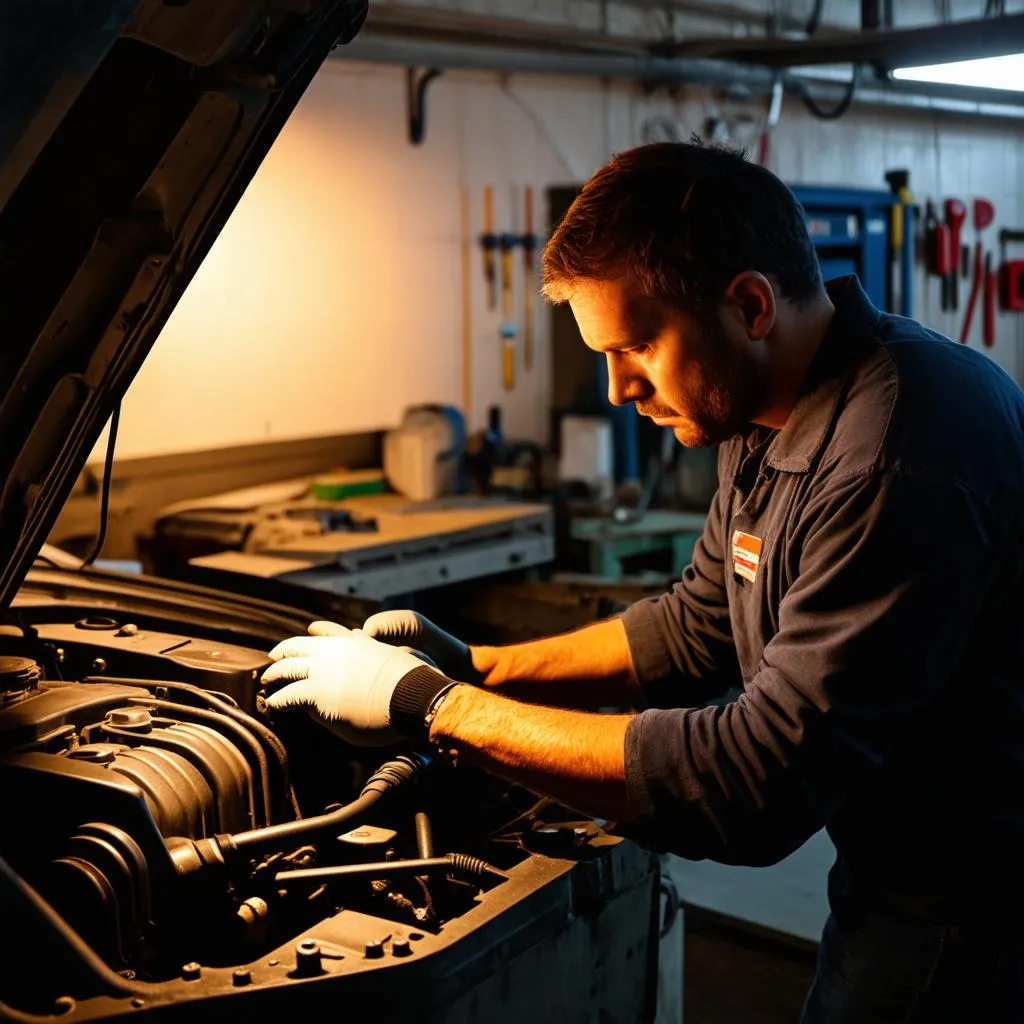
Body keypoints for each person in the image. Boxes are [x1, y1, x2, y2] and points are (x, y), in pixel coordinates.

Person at [262, 142, 1024, 1022]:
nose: (619, 388)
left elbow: (757, 783)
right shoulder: (765, 401)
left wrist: (434, 707)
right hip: (898, 871)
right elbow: (698, 620)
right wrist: (478, 664)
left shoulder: (897, 451)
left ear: (748, 305)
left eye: (638, 346)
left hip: (971, 914)